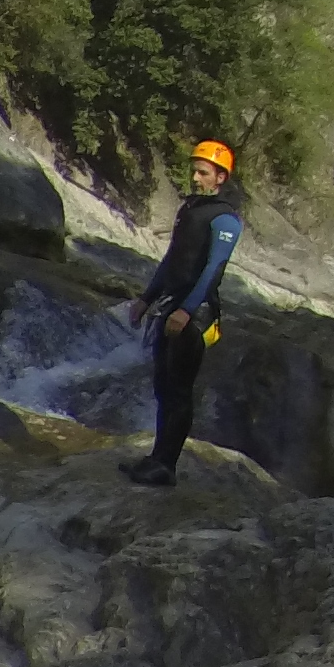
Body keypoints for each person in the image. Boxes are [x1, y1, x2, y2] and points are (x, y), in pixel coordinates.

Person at [122, 138, 245, 488]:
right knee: (162, 386)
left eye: (203, 172)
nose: (195, 177)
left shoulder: (225, 220)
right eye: (194, 170)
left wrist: (187, 311)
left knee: (178, 390)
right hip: (169, 305)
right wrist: (147, 299)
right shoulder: (190, 209)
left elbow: (213, 270)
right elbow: (172, 259)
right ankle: (156, 457)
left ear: (220, 177)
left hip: (196, 313)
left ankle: (166, 466)